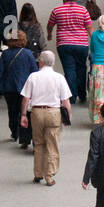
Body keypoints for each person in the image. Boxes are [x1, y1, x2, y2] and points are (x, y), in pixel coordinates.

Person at [20, 51, 74, 186]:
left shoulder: (33, 76)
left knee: (38, 144)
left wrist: (23, 115)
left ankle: (38, 173)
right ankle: (49, 176)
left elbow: (26, 98)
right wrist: (68, 116)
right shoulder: (59, 78)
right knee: (52, 145)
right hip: (54, 113)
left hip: (37, 112)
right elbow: (65, 101)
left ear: (41, 62)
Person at [48, 0, 93, 105]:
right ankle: (82, 95)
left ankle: (71, 97)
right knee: (82, 68)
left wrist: (49, 34)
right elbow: (89, 28)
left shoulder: (57, 10)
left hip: (64, 44)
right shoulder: (83, 10)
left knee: (69, 70)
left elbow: (50, 25)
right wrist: (94, 42)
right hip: (82, 45)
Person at [0, 31, 38, 147]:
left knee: (12, 111)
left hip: (9, 88)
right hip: (25, 88)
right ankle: (24, 137)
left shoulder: (5, 54)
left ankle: (14, 132)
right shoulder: (28, 53)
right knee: (25, 112)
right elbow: (34, 71)